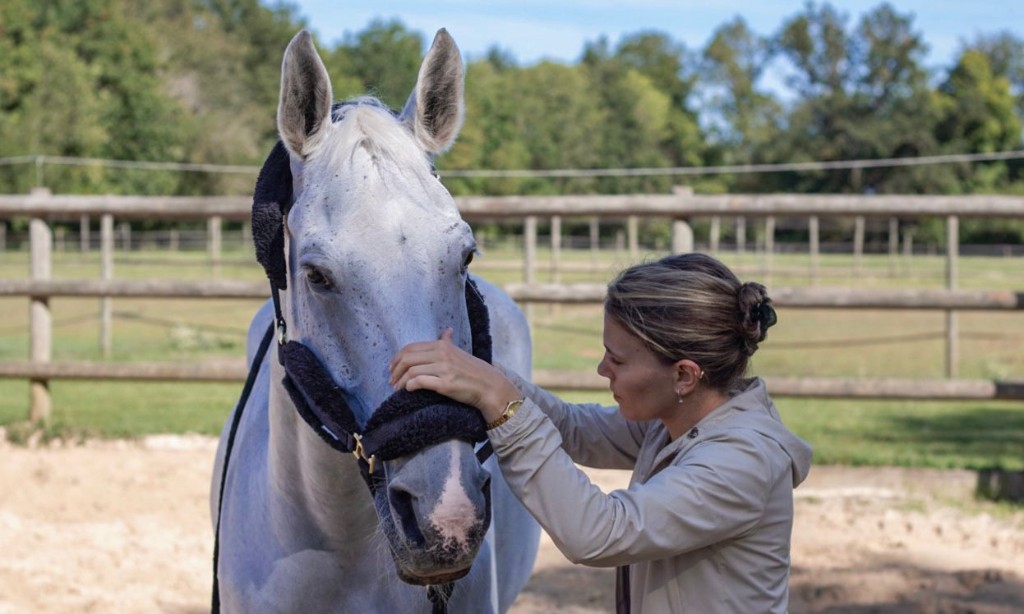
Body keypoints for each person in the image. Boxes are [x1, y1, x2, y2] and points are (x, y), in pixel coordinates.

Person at [389, 252, 813, 613]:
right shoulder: (684, 421)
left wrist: (502, 406)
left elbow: (599, 532)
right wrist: (484, 376)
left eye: (618, 360)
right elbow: (580, 429)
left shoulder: (742, 462)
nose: (601, 370)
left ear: (684, 375)